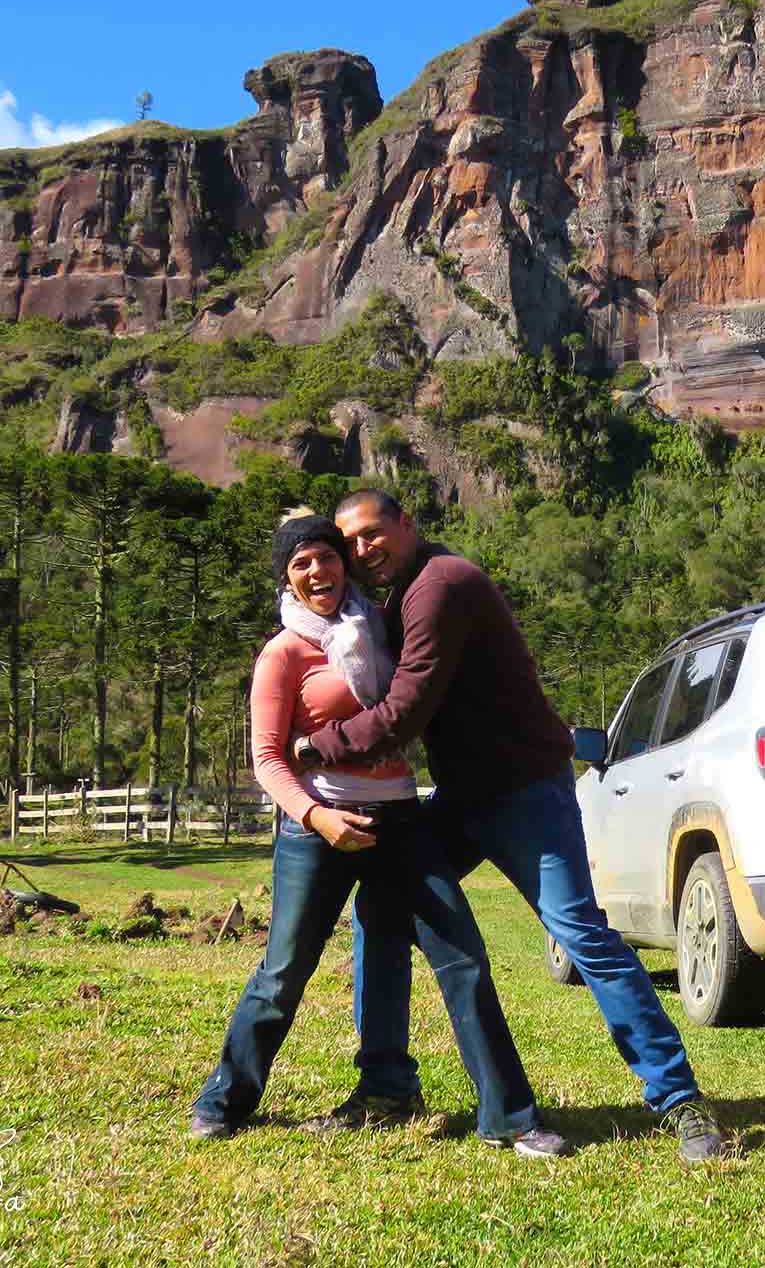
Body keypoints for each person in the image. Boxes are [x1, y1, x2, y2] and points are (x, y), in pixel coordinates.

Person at [294, 491, 727, 1164]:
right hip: (466, 797)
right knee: (378, 906)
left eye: (373, 533)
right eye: (351, 542)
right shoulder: (399, 599)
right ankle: (385, 1088)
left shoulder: (442, 585)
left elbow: (405, 709)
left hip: (525, 794)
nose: (362, 549)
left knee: (580, 932)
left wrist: (316, 746)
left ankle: (679, 1100)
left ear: (407, 524)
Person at [190, 511, 568, 1157]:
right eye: (301, 563)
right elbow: (268, 758)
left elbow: (414, 702)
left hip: (400, 820)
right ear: (286, 578)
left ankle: (510, 1117)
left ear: (345, 563)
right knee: (284, 972)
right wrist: (318, 819)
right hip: (319, 830)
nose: (318, 572)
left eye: (326, 557)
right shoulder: (285, 653)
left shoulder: (381, 632)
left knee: (464, 960)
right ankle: (222, 1101)